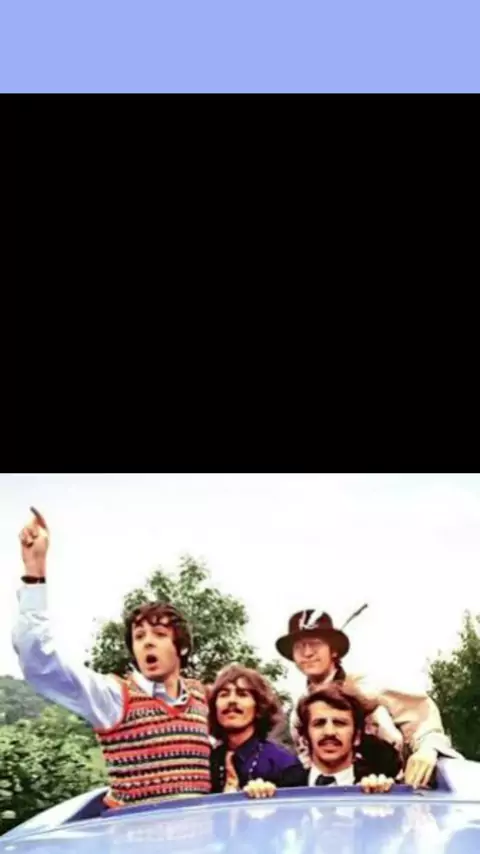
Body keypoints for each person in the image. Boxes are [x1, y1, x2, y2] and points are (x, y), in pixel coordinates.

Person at [12, 508, 212, 808]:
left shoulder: (201, 697)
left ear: (181, 647)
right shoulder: (114, 696)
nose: (147, 643)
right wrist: (34, 570)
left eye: (159, 634)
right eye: (139, 636)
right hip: (133, 834)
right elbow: (39, 660)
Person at [274, 609, 461, 789]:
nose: (307, 653)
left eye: (315, 644)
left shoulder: (370, 687)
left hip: (395, 790)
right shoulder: (298, 713)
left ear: (334, 651)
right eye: (299, 647)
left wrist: (427, 750)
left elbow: (425, 721)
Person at [244, 683, 403, 798]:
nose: (329, 732)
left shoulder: (376, 788)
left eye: (340, 723)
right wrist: (258, 800)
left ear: (357, 737)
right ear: (304, 738)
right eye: (319, 723)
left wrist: (383, 801)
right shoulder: (281, 788)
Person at [209, 664, 303, 792]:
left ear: (259, 707)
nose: (232, 700)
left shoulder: (284, 763)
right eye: (224, 694)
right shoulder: (205, 762)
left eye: (242, 694)